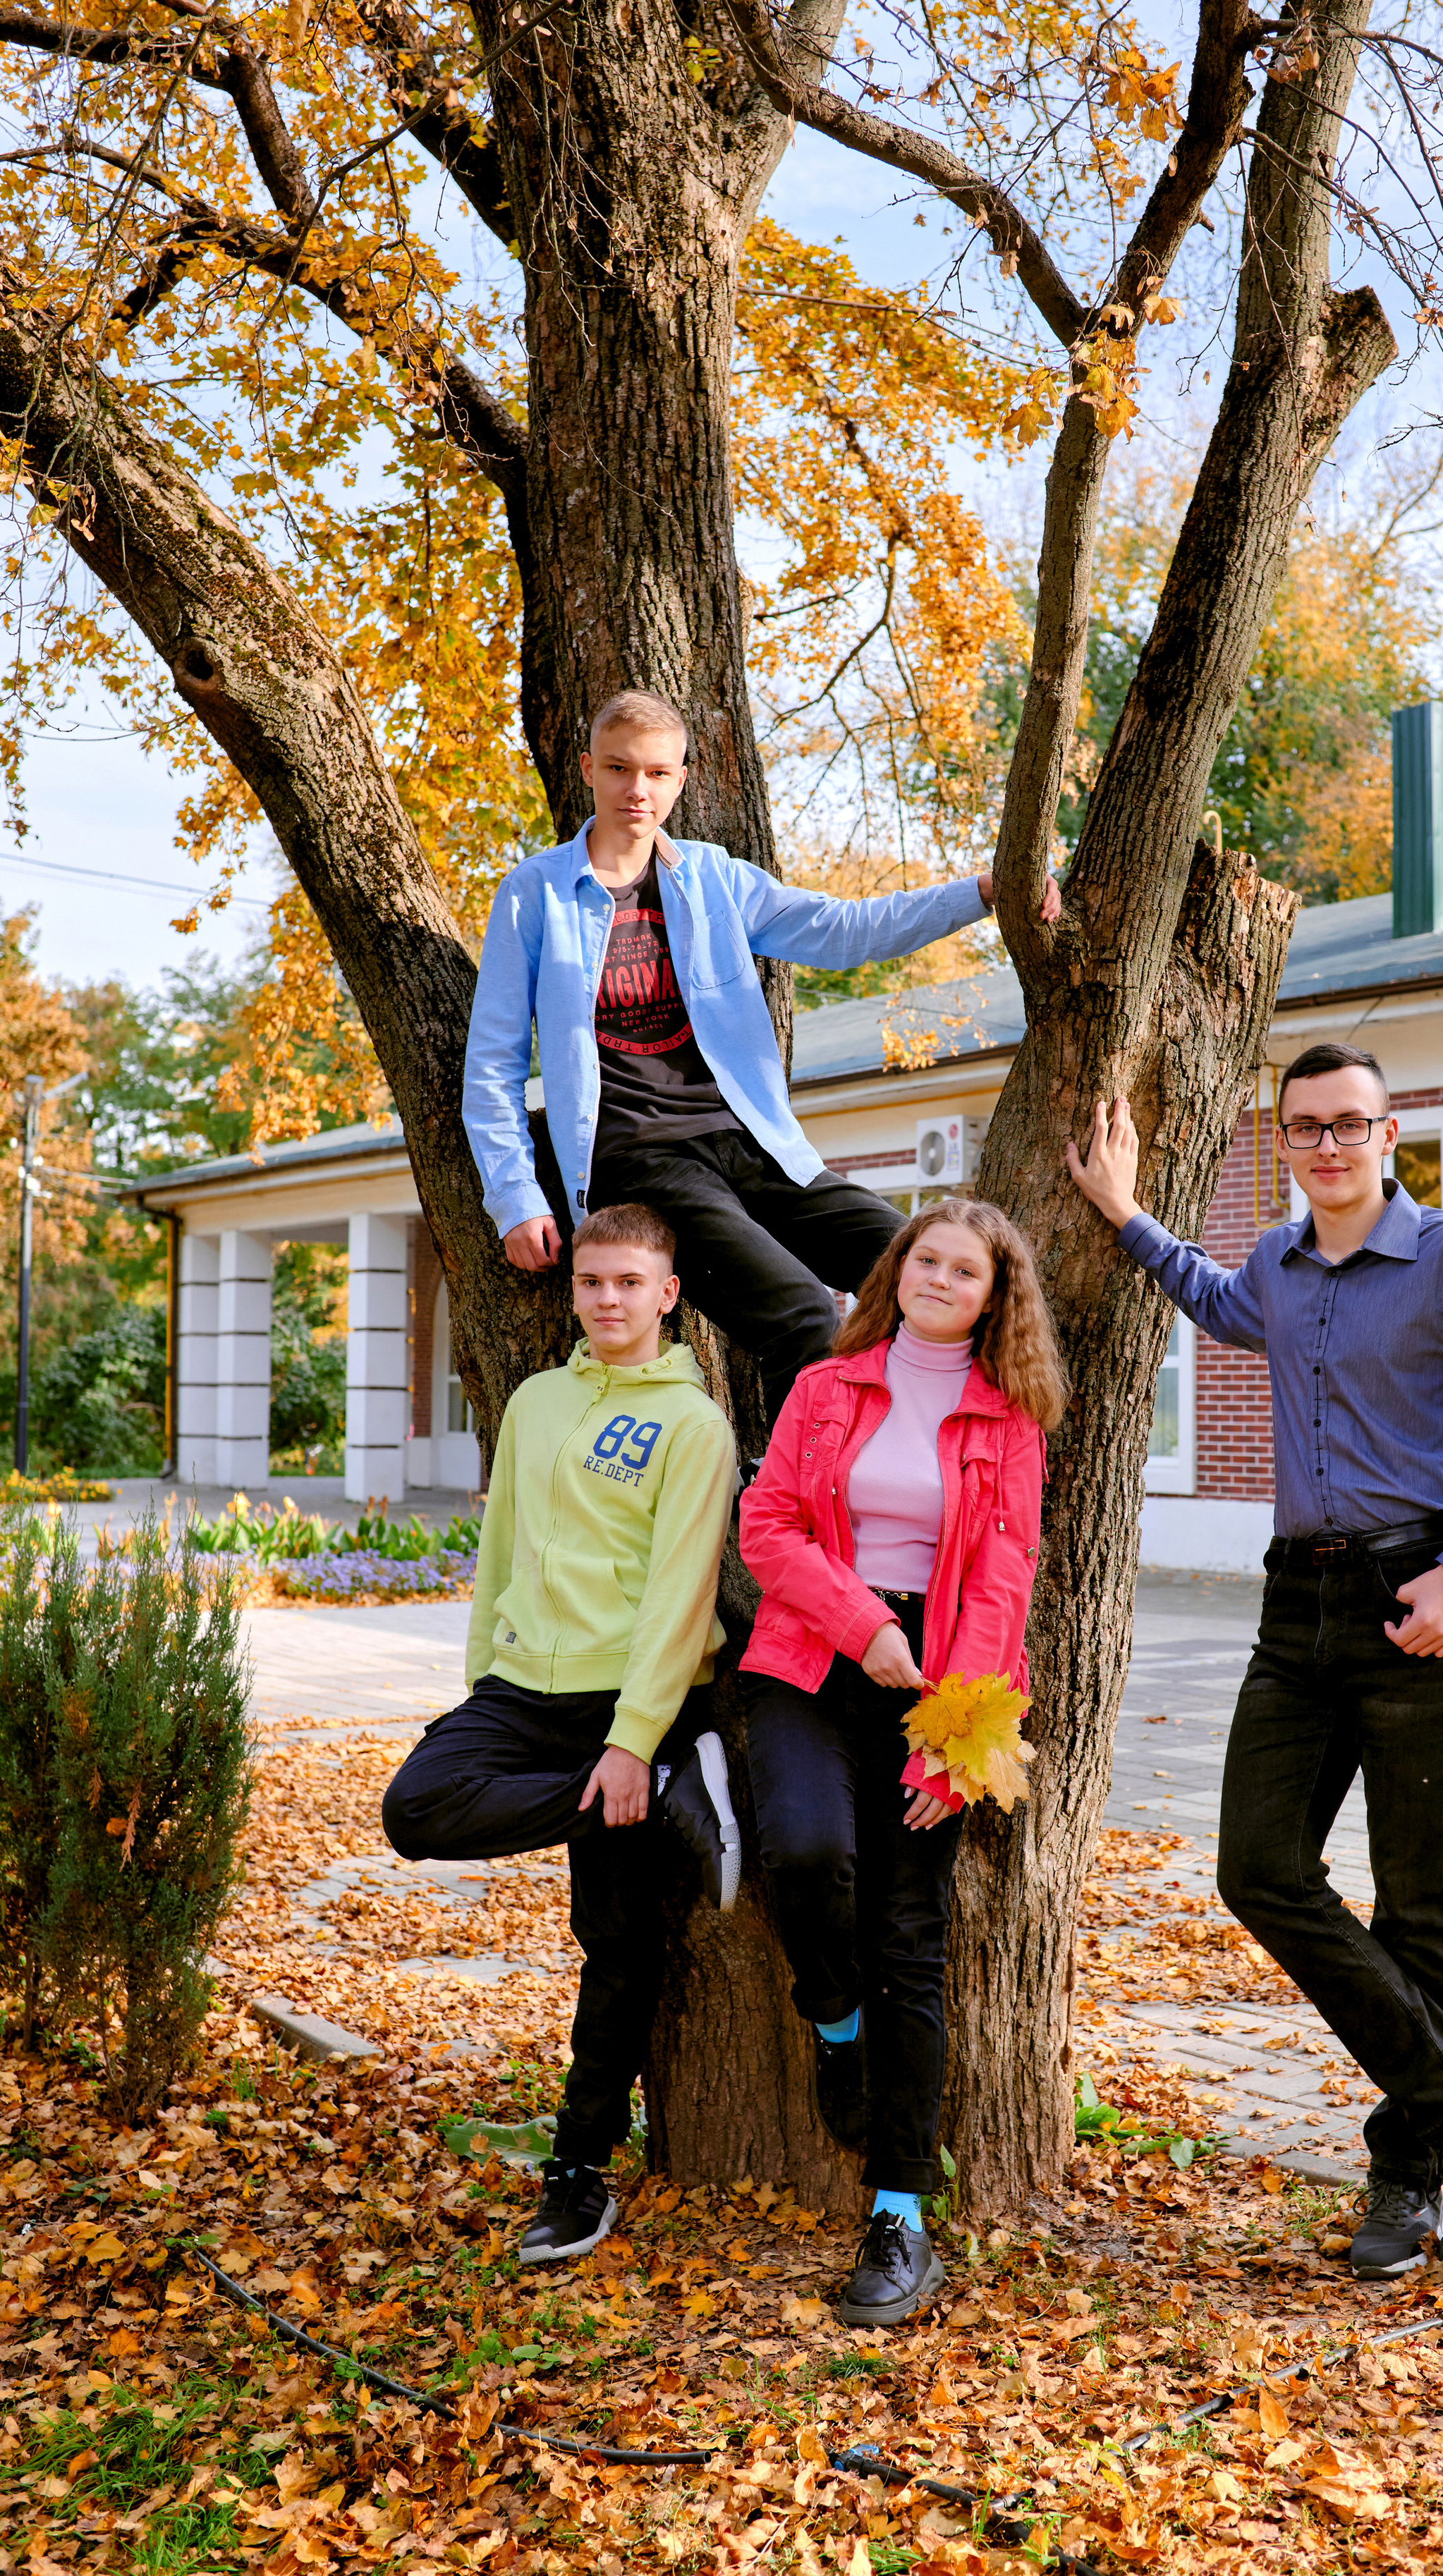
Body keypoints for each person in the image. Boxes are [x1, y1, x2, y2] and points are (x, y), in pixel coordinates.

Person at [1066, 1043, 1443, 2281]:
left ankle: (1413, 2175)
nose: (1330, 1146)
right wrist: (1123, 1212)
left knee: (1418, 1908)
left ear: (1389, 1135)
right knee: (1258, 1867)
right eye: (1307, 1129)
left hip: (1421, 1601)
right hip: (1294, 1609)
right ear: (1286, 1145)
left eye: (1352, 1125)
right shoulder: (1278, 1266)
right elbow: (1214, 1299)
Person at [462, 686, 1059, 1433]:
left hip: (752, 1141)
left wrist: (982, 893)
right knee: (803, 1315)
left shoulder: (713, 880)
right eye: (618, 769)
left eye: (655, 773)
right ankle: (796, 1516)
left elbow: (846, 931)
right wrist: (514, 1197)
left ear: (680, 778)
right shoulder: (534, 896)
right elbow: (492, 1065)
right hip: (640, 1157)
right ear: (588, 769)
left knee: (922, 1265)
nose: (636, 790)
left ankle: (937, 1464)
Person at [381, 1202, 738, 2264]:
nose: (609, 1300)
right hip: (519, 1694)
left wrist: (633, 1737)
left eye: (630, 1283)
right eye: (593, 1283)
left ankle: (578, 2175)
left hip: (623, 1698)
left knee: (618, 1949)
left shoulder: (692, 1425)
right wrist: (482, 1674)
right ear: (573, 1289)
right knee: (416, 1808)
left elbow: (683, 1593)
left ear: (668, 1295)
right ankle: (671, 1791)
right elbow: (498, 1546)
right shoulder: (536, 1403)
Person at [737, 1199, 1066, 2325]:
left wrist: (957, 1747)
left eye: (963, 1271)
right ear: (897, 1271)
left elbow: (1000, 1586)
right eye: (923, 1259)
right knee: (807, 1852)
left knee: (911, 1941)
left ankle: (900, 2217)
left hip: (939, 1687)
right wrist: (860, 1626)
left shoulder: (1009, 1419)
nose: (937, 1279)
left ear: (993, 1296)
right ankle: (835, 2024)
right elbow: (768, 1523)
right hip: (809, 1661)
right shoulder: (829, 1387)